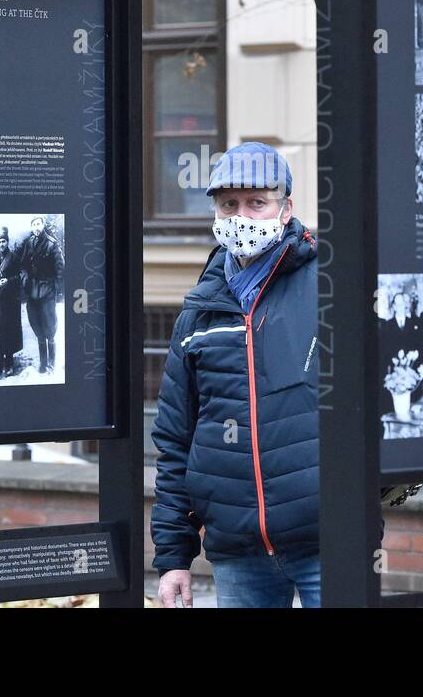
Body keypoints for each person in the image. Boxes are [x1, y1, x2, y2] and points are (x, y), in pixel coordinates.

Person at [152, 141, 318, 608]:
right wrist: (173, 557)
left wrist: (366, 519)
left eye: (257, 202)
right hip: (238, 550)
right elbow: (173, 440)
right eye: (230, 204)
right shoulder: (200, 311)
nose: (242, 215)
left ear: (286, 208)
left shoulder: (328, 286)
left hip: (327, 541)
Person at [20, 217, 65, 374]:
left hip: (48, 291)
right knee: (37, 327)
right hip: (32, 292)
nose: (36, 227)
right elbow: (23, 265)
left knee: (50, 327)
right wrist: (25, 277)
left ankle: (52, 364)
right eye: (33, 225)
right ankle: (43, 363)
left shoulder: (52, 244)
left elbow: (60, 268)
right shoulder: (29, 243)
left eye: (38, 224)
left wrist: (59, 291)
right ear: (31, 227)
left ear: (43, 225)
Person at [0, 232, 24, 376]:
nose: (1, 244)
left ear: (7, 242)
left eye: (3, 241)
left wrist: (8, 280)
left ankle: (9, 364)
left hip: (10, 301)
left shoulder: (14, 257)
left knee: (9, 332)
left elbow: (21, 275)